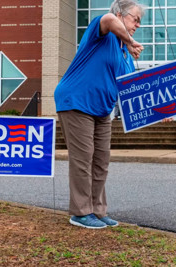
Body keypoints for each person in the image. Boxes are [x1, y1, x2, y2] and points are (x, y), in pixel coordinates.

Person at [54, 0, 145, 229]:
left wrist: (158, 111)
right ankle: (80, 213)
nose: (138, 25)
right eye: (135, 19)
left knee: (101, 161)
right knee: (83, 158)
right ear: (120, 14)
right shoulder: (101, 32)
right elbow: (107, 20)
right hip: (76, 101)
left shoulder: (125, 55)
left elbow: (130, 90)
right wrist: (130, 40)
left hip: (103, 109)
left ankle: (98, 210)